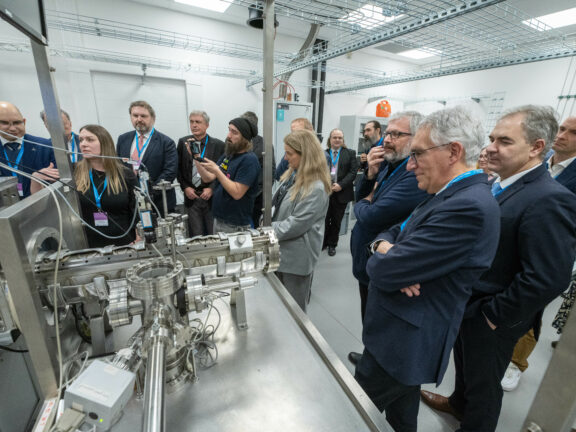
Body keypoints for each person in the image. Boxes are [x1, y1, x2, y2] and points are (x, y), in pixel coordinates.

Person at [421, 106, 576, 432]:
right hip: (470, 304)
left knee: (485, 386)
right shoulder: (500, 184)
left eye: (504, 141)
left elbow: (548, 277)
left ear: (536, 147)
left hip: (493, 315)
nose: (490, 147)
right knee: (466, 367)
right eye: (491, 138)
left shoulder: (549, 198)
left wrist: (493, 316)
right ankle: (458, 403)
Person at [355, 106, 500, 432]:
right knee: (402, 415)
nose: (410, 164)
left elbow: (386, 271)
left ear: (454, 151)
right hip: (400, 336)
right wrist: (383, 248)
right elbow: (393, 232)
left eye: (418, 154)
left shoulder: (468, 206)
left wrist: (389, 257)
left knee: (354, 411)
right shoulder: (446, 192)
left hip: (404, 343)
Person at [501, 115, 576, 391]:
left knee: (531, 307)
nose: (562, 135)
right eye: (562, 129)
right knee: (510, 297)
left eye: (572, 132)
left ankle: (516, 363)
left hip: (551, 251)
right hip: (517, 243)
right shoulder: (541, 164)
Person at [347, 111, 428, 366]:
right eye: (388, 133)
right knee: (368, 314)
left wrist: (365, 202)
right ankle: (369, 355)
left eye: (396, 134)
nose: (387, 140)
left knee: (379, 320)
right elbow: (360, 198)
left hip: (384, 261)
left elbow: (370, 216)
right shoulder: (389, 165)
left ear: (417, 138)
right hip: (368, 256)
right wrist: (370, 176)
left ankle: (374, 362)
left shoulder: (412, 175)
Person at [271, 129, 331, 311]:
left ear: (305, 155)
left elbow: (296, 224)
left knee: (294, 311)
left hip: (296, 260)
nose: (285, 158)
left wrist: (265, 231)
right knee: (280, 306)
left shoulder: (316, 188)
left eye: (289, 153)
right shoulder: (292, 176)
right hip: (281, 252)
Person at [75, 125, 139, 248]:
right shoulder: (74, 172)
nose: (83, 144)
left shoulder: (125, 174)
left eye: (90, 139)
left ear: (105, 143)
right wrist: (37, 178)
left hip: (125, 243)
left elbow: (138, 209)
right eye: (81, 140)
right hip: (89, 246)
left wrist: (139, 235)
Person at [194, 117, 260, 233]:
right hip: (219, 220)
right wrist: (196, 158)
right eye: (229, 130)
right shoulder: (228, 155)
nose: (228, 136)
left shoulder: (249, 160)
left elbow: (237, 193)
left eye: (234, 132)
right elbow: (208, 177)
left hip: (235, 225)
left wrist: (217, 171)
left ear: (244, 138)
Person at [116, 100, 177, 217]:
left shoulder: (166, 142)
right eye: (135, 115)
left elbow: (170, 172)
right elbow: (118, 166)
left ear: (153, 118)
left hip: (158, 202)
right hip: (130, 202)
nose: (139, 119)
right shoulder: (123, 139)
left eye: (143, 116)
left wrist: (147, 193)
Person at [177, 110, 225, 236]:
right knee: (196, 235)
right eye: (191, 122)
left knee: (213, 234)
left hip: (210, 198)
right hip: (191, 197)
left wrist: (212, 188)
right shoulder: (183, 142)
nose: (194, 125)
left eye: (198, 122)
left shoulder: (219, 145)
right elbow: (178, 168)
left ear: (207, 125)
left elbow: (223, 171)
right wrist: (185, 187)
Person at [0, 101, 55, 198]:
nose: (12, 128)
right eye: (5, 123)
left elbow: (59, 183)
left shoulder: (45, 146)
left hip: (42, 203)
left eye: (17, 122)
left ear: (24, 122)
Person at [322, 128, 359, 256]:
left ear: (343, 140)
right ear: (330, 139)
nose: (337, 140)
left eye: (340, 138)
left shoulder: (350, 153)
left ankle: (332, 244)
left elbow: (353, 172)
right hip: (326, 192)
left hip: (341, 193)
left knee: (336, 221)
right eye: (335, 137)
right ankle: (324, 242)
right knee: (324, 219)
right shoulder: (323, 153)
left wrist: (341, 185)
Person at [241, 111, 275, 228]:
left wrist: (259, 190)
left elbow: (271, 170)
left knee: (257, 225)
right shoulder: (237, 142)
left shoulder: (265, 144)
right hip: (239, 193)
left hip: (258, 195)